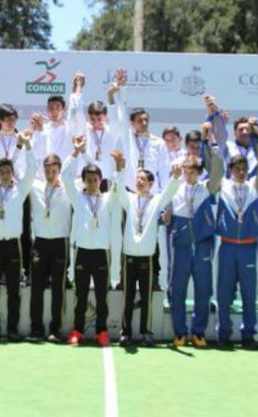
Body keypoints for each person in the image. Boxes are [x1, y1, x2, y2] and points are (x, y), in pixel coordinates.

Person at [62, 137, 124, 347]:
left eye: (95, 179)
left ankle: (102, 331)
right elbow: (65, 176)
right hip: (82, 252)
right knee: (80, 295)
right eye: (88, 179)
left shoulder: (107, 199)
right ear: (83, 181)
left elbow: (118, 187)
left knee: (101, 295)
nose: (91, 183)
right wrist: (75, 152)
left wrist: (118, 168)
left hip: (101, 253)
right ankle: (77, 330)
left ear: (100, 180)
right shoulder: (77, 198)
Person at [213, 117, 258, 349]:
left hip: (248, 246)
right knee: (224, 294)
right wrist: (209, 136)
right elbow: (214, 164)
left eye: (244, 168)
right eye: (237, 169)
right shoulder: (223, 185)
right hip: (227, 246)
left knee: (248, 294)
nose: (241, 172)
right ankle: (223, 334)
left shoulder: (254, 186)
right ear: (230, 170)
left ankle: (248, 335)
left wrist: (256, 137)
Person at [167, 122, 223, 348]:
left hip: (202, 244)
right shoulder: (174, 189)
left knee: (203, 290)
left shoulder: (207, 188)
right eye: (186, 170)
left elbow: (218, 170)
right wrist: (165, 215)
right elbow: (164, 210)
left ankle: (198, 332)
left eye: (193, 171)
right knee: (177, 290)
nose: (189, 174)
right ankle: (180, 332)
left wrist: (210, 142)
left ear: (200, 173)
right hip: (181, 244)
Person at [115, 160, 182, 347]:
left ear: (151, 183)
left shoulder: (156, 200)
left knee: (146, 296)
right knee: (128, 296)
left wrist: (175, 177)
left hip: (147, 256)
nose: (139, 182)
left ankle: (146, 332)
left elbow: (169, 192)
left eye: (143, 179)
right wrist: (119, 169)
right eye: (137, 179)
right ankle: (125, 332)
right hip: (129, 255)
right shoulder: (129, 199)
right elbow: (119, 190)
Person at [0, 132, 36, 341]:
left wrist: (27, 146)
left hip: (14, 246)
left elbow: (32, 170)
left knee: (14, 290)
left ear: (13, 173)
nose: (5, 175)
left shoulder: (20, 189)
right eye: (2, 172)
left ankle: (12, 329)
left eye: (8, 171)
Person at [28, 154, 72, 342]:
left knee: (58, 288)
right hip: (40, 243)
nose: (50, 173)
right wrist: (27, 147)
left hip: (60, 243)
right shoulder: (35, 187)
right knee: (36, 287)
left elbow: (77, 169)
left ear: (59, 170)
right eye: (46, 169)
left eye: (53, 170)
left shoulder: (69, 188)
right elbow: (25, 172)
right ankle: (36, 329)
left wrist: (75, 152)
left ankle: (55, 329)